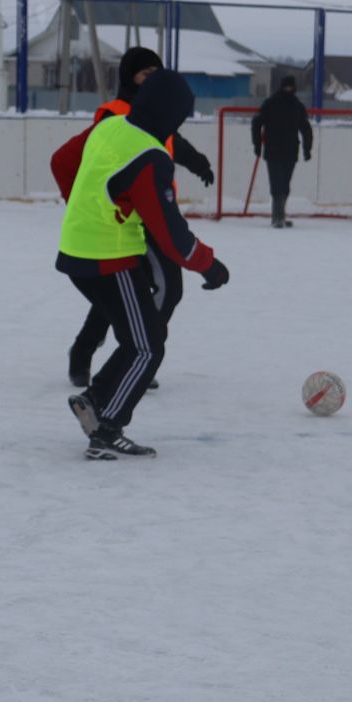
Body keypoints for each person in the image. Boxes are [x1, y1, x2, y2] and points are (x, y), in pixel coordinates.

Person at [54, 67, 229, 459]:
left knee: (141, 338)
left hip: (77, 248)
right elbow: (171, 235)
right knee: (148, 346)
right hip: (108, 257)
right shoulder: (149, 157)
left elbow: (61, 161)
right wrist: (210, 266)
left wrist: (87, 206)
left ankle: (94, 400)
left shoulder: (109, 127)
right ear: (172, 115)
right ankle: (106, 427)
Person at [62, 47, 214, 387]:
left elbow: (175, 141)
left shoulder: (159, 112)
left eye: (156, 73)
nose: (152, 80)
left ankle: (125, 356)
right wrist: (88, 205)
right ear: (130, 77)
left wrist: (199, 162)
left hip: (154, 215)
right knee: (139, 292)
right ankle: (122, 356)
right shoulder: (115, 115)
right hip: (124, 221)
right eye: (145, 74)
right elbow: (80, 162)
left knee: (135, 294)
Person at [250, 73, 313, 228]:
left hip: (291, 151)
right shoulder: (271, 103)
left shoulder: (297, 105)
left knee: (284, 184)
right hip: (273, 150)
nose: (288, 89)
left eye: (290, 86)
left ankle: (281, 216)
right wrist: (257, 144)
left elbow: (306, 128)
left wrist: (307, 148)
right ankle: (276, 217)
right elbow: (256, 122)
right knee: (277, 183)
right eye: (286, 86)